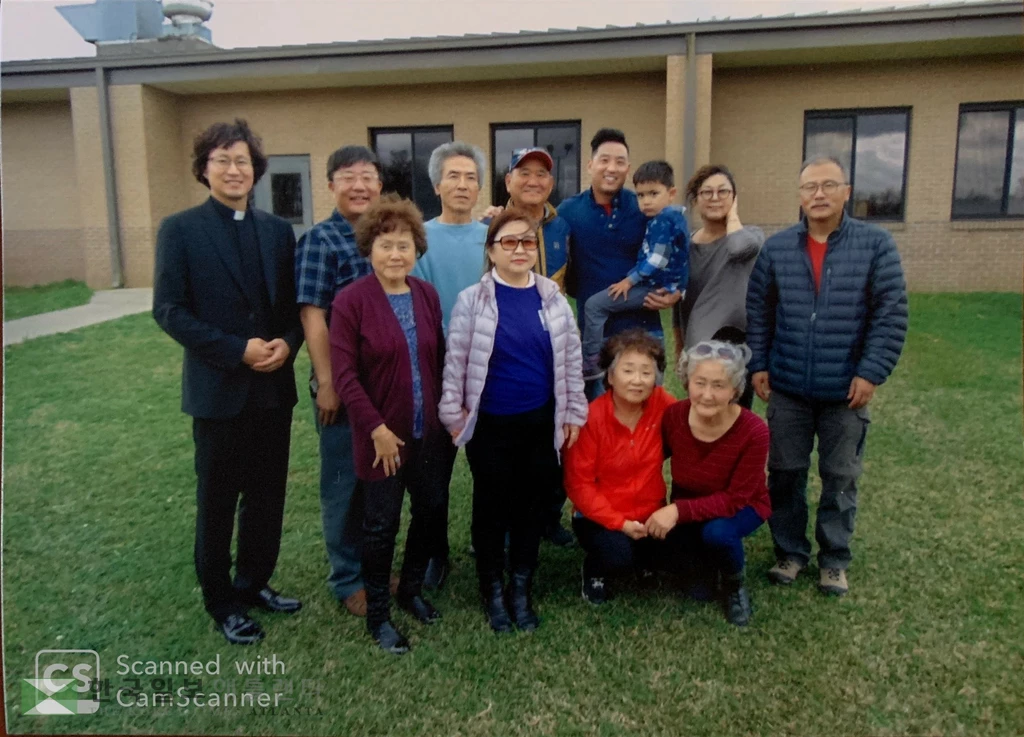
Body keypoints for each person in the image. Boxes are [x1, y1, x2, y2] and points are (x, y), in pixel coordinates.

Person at [153, 119, 303, 645]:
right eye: (222, 160)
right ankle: (221, 601)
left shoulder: (277, 231)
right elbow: (168, 310)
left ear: (255, 171)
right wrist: (236, 350)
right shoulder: (181, 230)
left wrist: (288, 343)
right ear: (204, 170)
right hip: (218, 392)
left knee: (266, 497)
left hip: (272, 393)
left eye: (242, 161)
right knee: (217, 501)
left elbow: (291, 309)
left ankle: (254, 582)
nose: (234, 169)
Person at [746, 156, 908, 596]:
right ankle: (790, 552)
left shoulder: (876, 245)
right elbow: (759, 312)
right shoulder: (778, 249)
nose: (818, 194)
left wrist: (871, 371)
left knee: (840, 476)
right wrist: (758, 363)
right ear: (799, 196)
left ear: (846, 192)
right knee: (785, 472)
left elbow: (890, 315)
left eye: (828, 185)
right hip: (789, 386)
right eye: (809, 187)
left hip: (846, 390)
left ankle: (834, 559)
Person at [439, 207, 588, 633]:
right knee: (491, 508)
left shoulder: (554, 299)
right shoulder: (473, 299)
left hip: (540, 422)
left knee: (530, 509)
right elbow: (457, 361)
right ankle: (492, 590)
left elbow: (572, 360)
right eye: (509, 242)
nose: (520, 249)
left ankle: (520, 588)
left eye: (527, 242)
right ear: (491, 250)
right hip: (490, 426)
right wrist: (453, 414)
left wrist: (573, 410)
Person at [329, 195, 448, 655]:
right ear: (369, 249)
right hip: (382, 438)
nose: (395, 254)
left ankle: (411, 589)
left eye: (404, 246)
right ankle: (378, 614)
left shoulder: (427, 295)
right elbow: (344, 375)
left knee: (431, 511)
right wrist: (376, 428)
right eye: (385, 245)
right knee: (380, 526)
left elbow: (436, 359)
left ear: (416, 250)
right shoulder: (351, 301)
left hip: (429, 434)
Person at [295, 145, 382, 618]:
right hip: (343, 389)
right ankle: (347, 578)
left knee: (377, 486)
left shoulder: (382, 236)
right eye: (348, 177)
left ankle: (371, 568)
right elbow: (313, 316)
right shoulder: (320, 241)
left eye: (368, 176)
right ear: (331, 185)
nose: (359, 186)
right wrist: (327, 382)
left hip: (383, 388)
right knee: (344, 486)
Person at [410, 141, 489, 590]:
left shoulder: (494, 236)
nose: (462, 184)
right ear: (437, 184)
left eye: (470, 177)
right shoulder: (419, 238)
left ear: (479, 186)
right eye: (453, 177)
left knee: (489, 469)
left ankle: (485, 542)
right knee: (432, 477)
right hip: (436, 372)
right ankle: (435, 552)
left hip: (488, 373)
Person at [488, 146, 576, 547]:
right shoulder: (491, 225)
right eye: (524, 173)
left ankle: (546, 517)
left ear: (551, 184)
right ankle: (499, 524)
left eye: (542, 173)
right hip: (505, 353)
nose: (533, 180)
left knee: (553, 444)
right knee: (503, 453)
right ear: (508, 181)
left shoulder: (563, 226)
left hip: (553, 349)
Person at [652, 340, 771, 627]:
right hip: (690, 502)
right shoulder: (674, 416)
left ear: (735, 390)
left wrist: (677, 511)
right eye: (700, 383)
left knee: (717, 533)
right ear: (686, 382)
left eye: (719, 386)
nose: (707, 395)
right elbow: (650, 459)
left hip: (740, 507)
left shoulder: (754, 431)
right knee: (696, 590)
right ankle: (704, 566)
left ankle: (734, 585)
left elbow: (735, 499)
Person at [558, 128, 680, 399]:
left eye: (620, 161)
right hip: (598, 341)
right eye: (604, 160)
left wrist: (677, 291)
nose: (611, 168)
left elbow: (677, 246)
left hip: (645, 331)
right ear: (590, 165)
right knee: (602, 424)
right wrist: (497, 214)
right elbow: (535, 226)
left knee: (648, 423)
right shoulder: (569, 211)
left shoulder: (645, 206)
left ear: (628, 168)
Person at [563, 330, 676, 605]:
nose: (638, 380)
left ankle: (646, 558)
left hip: (651, 513)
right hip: (600, 517)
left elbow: (695, 423)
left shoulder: (665, 406)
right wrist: (620, 523)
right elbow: (579, 485)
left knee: (679, 552)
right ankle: (595, 570)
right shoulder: (591, 418)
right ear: (610, 377)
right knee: (618, 555)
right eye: (628, 370)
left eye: (646, 372)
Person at [581, 160, 689, 378]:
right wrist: (681, 287)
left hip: (653, 287)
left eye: (653, 194)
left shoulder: (664, 221)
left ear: (671, 193)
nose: (646, 201)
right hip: (661, 286)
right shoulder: (671, 219)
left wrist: (630, 280)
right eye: (640, 195)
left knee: (594, 305)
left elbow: (658, 258)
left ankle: (590, 361)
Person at [672, 164, 764, 408]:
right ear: (695, 200)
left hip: (737, 347)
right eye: (707, 193)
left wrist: (732, 215)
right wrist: (680, 345)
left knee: (735, 419)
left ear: (734, 198)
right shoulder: (686, 246)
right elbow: (680, 299)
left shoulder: (751, 237)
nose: (715, 198)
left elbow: (737, 249)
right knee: (702, 415)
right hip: (698, 347)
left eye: (723, 192)